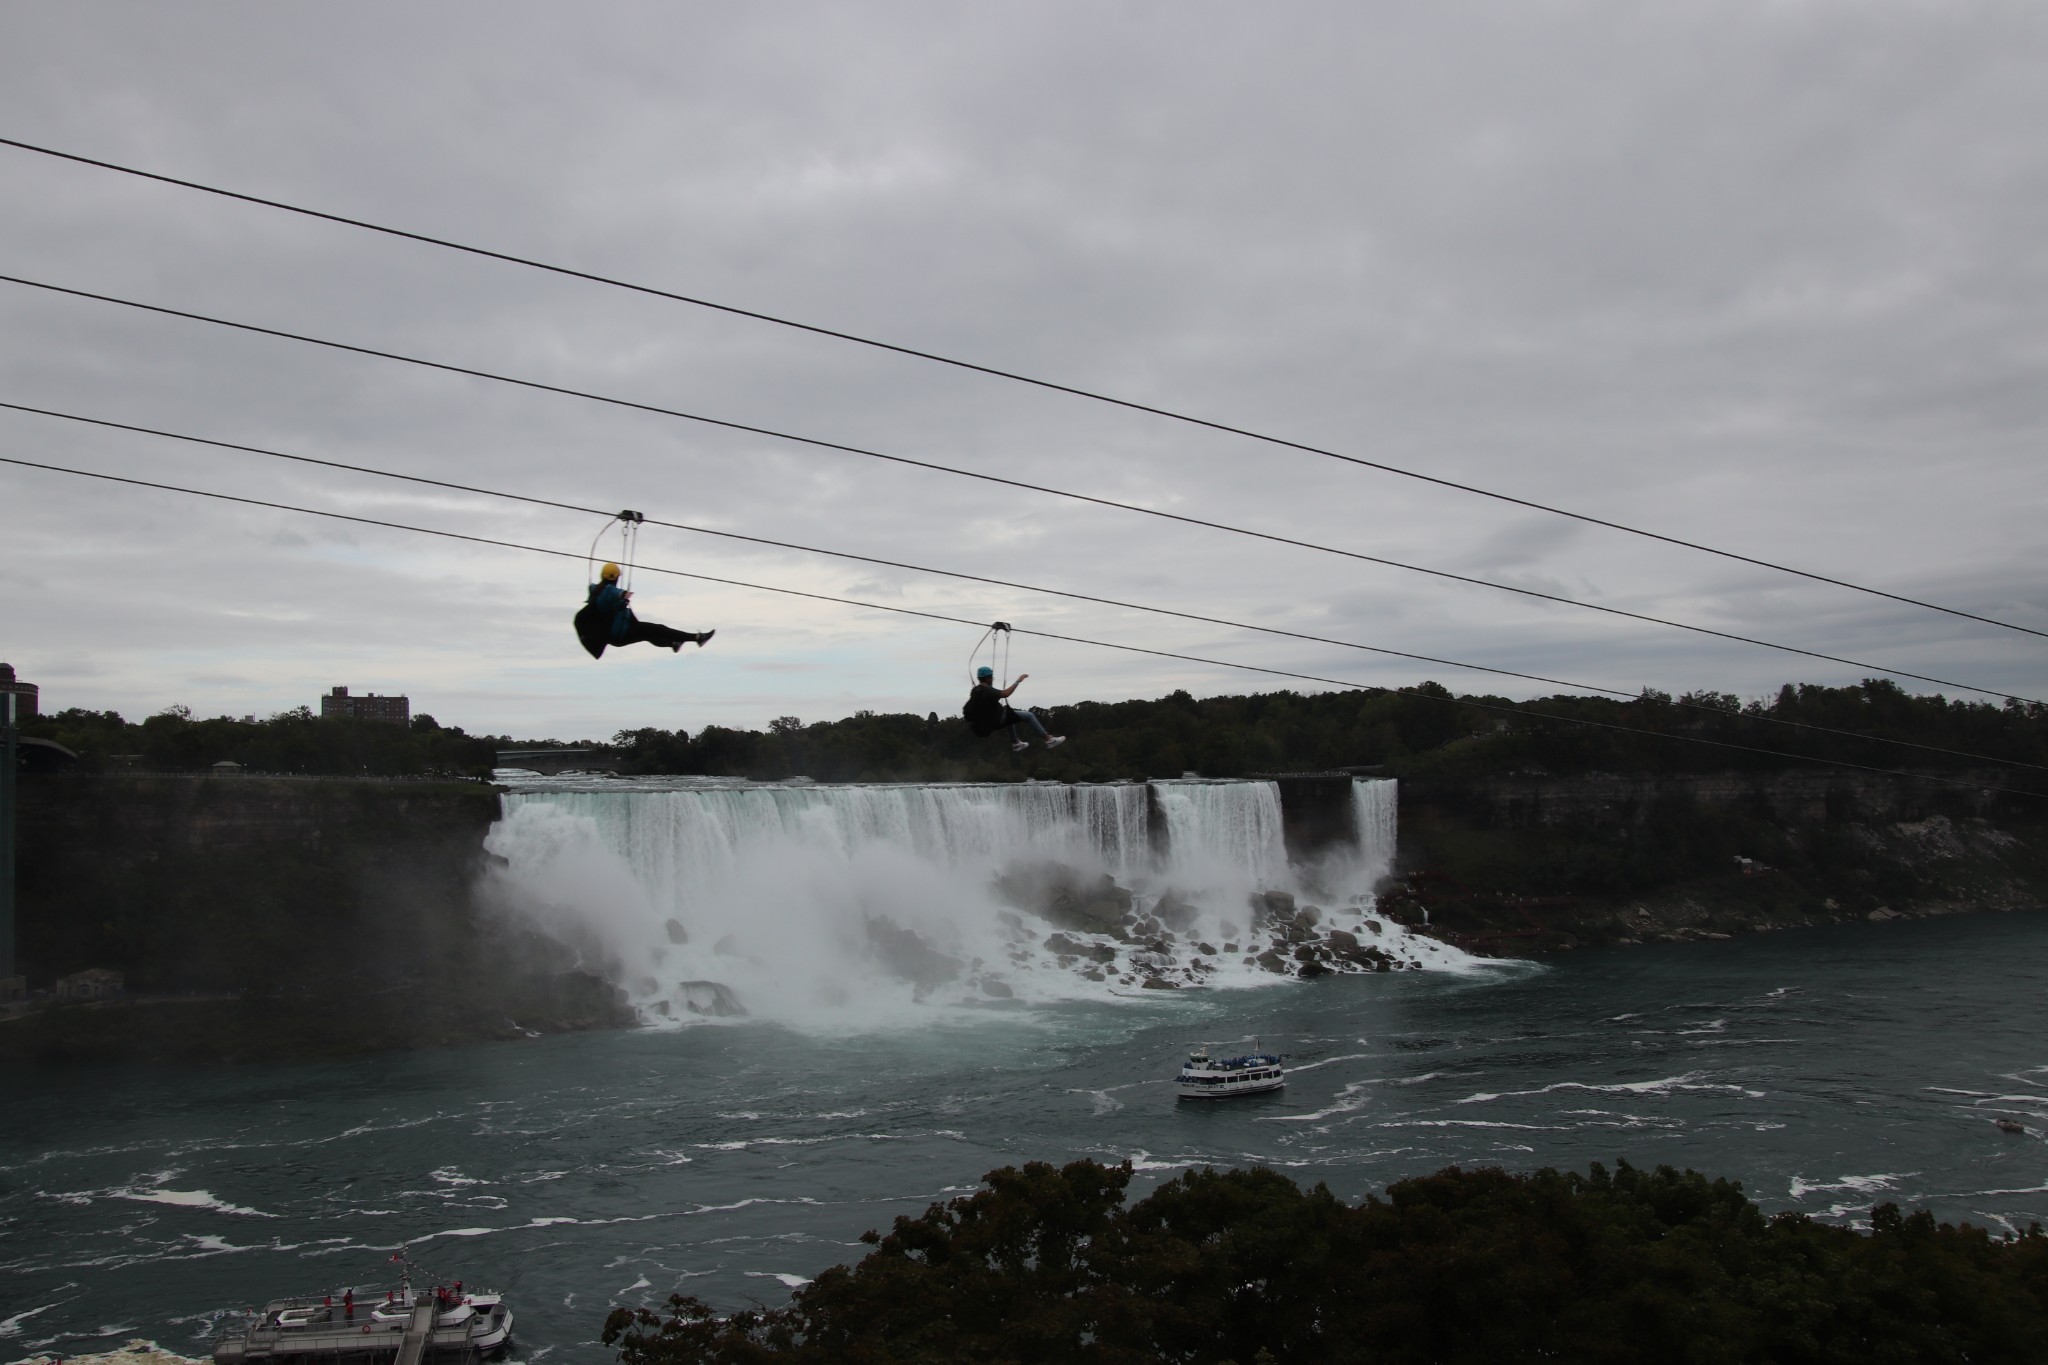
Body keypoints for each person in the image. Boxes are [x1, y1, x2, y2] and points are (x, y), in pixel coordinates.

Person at [574, 563, 715, 659]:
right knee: (658, 629)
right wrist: (622, 594)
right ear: (615, 578)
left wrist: (620, 600)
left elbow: (605, 595)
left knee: (649, 634)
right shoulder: (606, 592)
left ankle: (673, 644)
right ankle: (697, 638)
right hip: (621, 633)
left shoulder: (596, 591)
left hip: (620, 632)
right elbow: (611, 592)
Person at [964, 666, 1064, 751]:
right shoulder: (987, 690)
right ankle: (1048, 740)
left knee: (1009, 715)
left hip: (988, 723)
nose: (992, 680)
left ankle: (1016, 742)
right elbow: (1006, 693)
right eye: (992, 678)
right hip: (996, 720)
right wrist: (1018, 681)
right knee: (1029, 716)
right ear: (987, 678)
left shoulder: (975, 690)